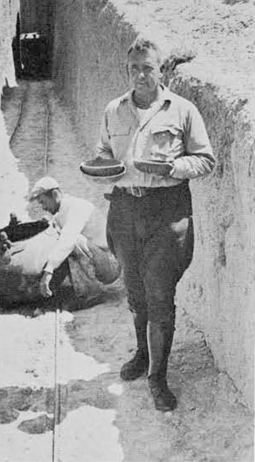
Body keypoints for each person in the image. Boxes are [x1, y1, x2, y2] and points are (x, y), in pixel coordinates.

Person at [97, 37, 215, 411]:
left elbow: (205, 160)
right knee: (135, 292)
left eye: (148, 67)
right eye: (134, 68)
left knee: (160, 295)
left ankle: (159, 377)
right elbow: (104, 151)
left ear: (161, 70)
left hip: (167, 212)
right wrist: (102, 164)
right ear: (127, 70)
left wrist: (173, 167)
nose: (141, 75)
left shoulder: (182, 110)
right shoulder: (113, 110)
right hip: (124, 212)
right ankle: (142, 355)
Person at [28, 176, 120, 298]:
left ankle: (91, 293)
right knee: (55, 236)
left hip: (111, 263)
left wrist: (49, 269)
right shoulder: (61, 212)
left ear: (55, 194)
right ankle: (73, 289)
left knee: (72, 240)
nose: (43, 208)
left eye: (43, 202)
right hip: (99, 259)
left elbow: (68, 239)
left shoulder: (77, 206)